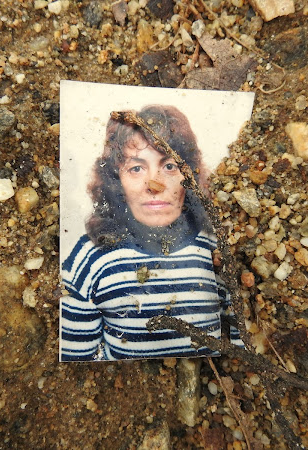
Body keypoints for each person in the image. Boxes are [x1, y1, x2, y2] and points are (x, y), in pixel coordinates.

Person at [60, 105, 242, 361]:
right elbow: (77, 362)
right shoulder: (87, 258)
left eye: (170, 166)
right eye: (136, 168)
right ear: (115, 179)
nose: (154, 185)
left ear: (190, 175)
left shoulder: (216, 250)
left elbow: (240, 353)